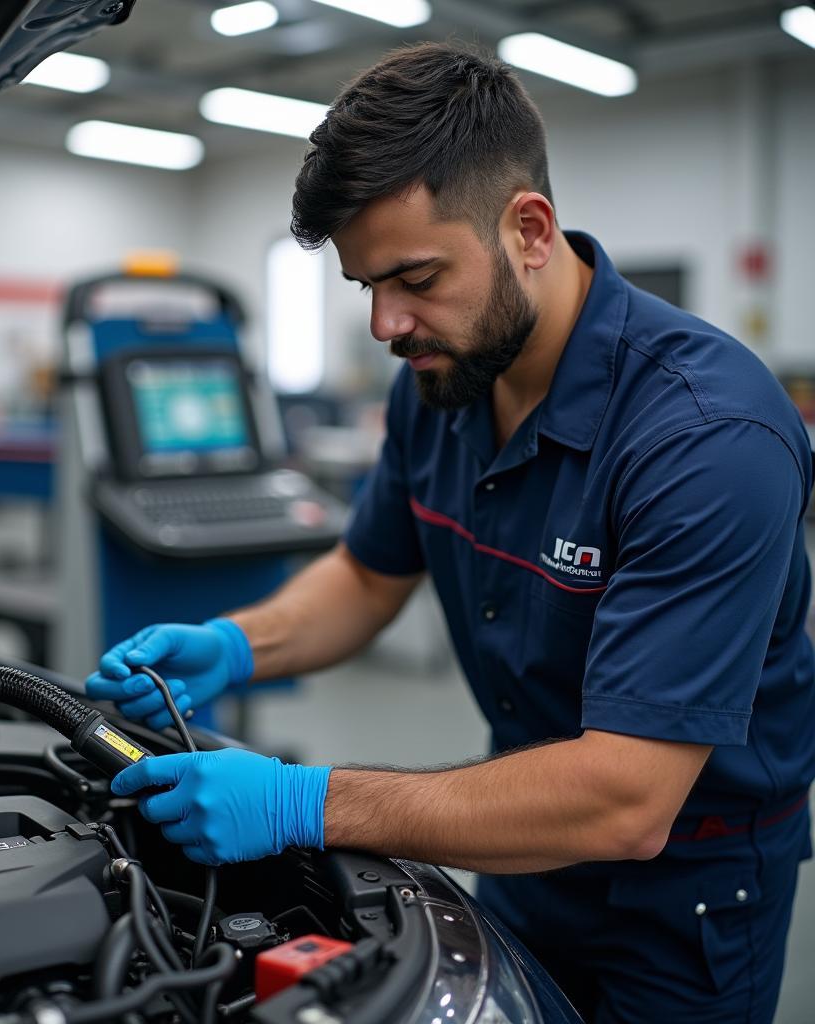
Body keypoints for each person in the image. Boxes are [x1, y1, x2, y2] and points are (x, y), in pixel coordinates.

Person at [86, 43, 815, 1023]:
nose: (387, 323)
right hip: (514, 836)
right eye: (364, 287)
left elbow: (625, 799)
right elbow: (367, 573)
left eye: (415, 277)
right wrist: (232, 645)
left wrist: (302, 801)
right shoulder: (441, 382)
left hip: (680, 889)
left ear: (528, 228)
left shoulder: (706, 437)